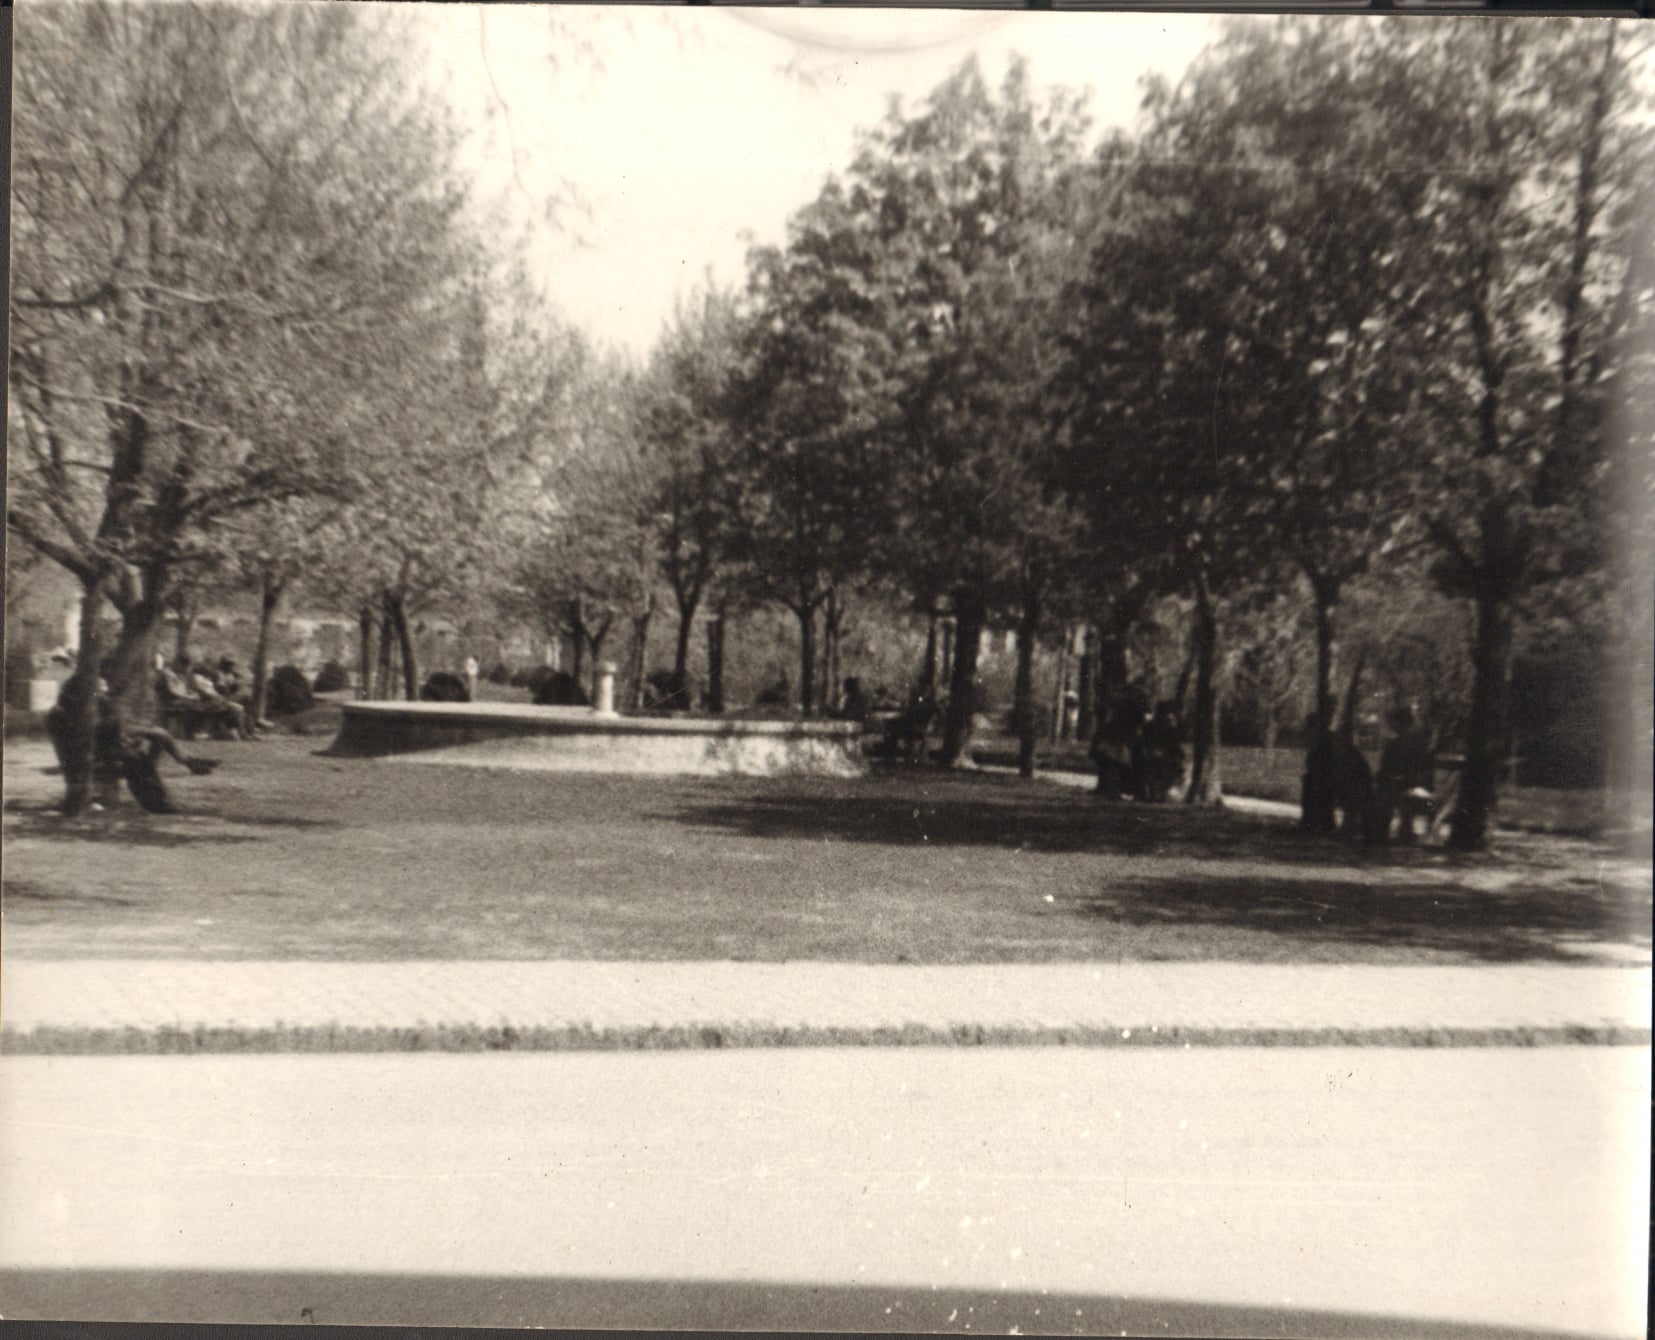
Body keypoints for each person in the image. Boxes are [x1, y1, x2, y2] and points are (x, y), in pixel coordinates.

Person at [1375, 705, 1435, 844]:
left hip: (1402, 786)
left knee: (1385, 794)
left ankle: (1383, 831)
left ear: (1397, 723)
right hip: (1416, 786)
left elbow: (1385, 769)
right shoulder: (1420, 744)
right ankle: (1404, 831)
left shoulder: (1393, 744)